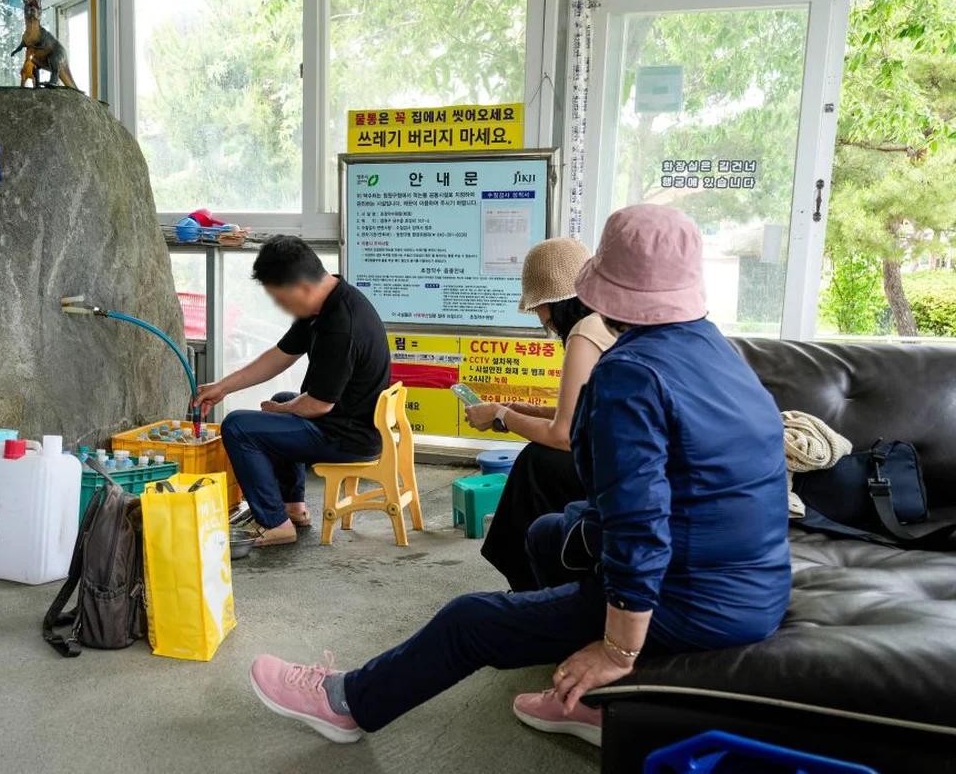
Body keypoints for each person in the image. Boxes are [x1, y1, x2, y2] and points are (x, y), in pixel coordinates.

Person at [247, 204, 792, 745]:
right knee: (548, 531)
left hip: (691, 600)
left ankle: (347, 703)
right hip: (758, 589)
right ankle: (585, 692)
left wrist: (616, 650)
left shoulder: (631, 372)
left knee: (470, 620)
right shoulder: (715, 347)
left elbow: (638, 524)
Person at [195, 237, 390, 547]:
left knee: (238, 427)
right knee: (284, 400)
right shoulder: (326, 302)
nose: (281, 307)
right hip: (351, 422)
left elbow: (318, 405)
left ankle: (275, 524)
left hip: (349, 438)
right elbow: (280, 355)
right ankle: (292, 508)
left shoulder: (341, 325)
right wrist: (222, 387)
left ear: (302, 287)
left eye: (281, 299)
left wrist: (280, 412)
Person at [463, 238, 615, 591]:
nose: (539, 317)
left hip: (615, 466)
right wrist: (521, 412)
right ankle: (531, 571)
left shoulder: (585, 332)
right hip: (633, 456)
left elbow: (564, 435)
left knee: (537, 463)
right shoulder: (607, 321)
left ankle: (526, 581)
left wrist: (502, 415)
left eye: (540, 307)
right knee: (538, 460)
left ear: (555, 302)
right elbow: (581, 412)